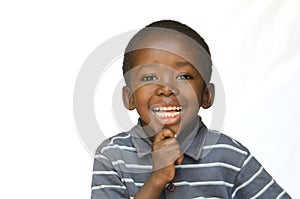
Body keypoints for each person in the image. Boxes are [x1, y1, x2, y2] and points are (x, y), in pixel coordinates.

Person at [91, 20, 291, 198]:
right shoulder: (112, 156)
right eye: (149, 77)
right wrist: (156, 180)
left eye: (184, 77)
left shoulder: (229, 155)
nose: (167, 89)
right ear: (129, 98)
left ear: (206, 95)